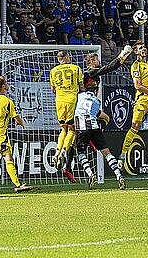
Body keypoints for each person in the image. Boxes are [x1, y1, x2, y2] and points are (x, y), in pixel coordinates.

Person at [60, 44, 134, 183]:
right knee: (74, 136)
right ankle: (67, 166)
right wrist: (123, 55)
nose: (99, 62)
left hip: (88, 108)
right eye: (96, 60)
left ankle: (72, 166)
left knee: (102, 120)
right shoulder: (89, 73)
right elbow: (109, 68)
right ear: (90, 62)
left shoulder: (90, 75)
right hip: (80, 107)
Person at [118, 41, 148, 171]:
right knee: (135, 126)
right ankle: (123, 154)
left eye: (144, 47)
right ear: (136, 52)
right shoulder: (135, 66)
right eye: (140, 48)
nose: (143, 49)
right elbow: (138, 86)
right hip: (142, 99)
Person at [74, 79, 126, 190]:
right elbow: (98, 114)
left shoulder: (79, 96)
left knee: (81, 153)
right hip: (95, 128)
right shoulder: (97, 101)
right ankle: (118, 175)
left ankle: (90, 174)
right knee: (107, 153)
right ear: (95, 90)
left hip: (82, 129)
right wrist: (106, 120)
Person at [49, 51, 84, 175]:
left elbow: (53, 90)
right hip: (71, 100)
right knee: (72, 130)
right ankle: (64, 151)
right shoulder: (76, 68)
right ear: (68, 57)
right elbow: (81, 87)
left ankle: (56, 153)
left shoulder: (53, 71)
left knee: (63, 129)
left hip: (59, 101)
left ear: (59, 60)